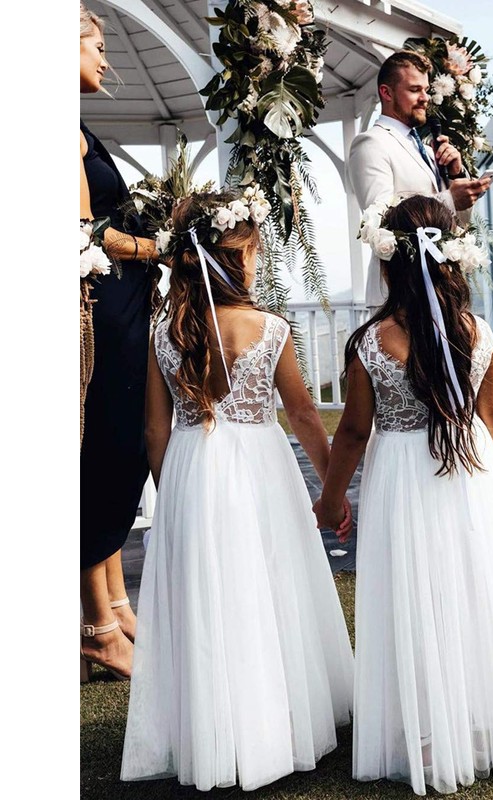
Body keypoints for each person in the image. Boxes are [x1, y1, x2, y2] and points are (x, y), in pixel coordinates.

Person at [314, 195, 493, 796]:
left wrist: (331, 500)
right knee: (472, 593)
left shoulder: (371, 342)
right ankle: (480, 723)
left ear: (389, 263)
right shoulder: (478, 332)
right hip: (471, 475)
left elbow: (353, 431)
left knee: (414, 594)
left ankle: (427, 732)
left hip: (404, 483)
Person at [120, 188, 355, 791]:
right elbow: (302, 413)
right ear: (235, 259)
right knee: (270, 583)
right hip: (259, 466)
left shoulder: (165, 331)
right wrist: (332, 487)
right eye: (253, 252)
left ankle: (215, 730)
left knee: (210, 596)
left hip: (191, 466)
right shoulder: (270, 328)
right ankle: (276, 721)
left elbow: (154, 430)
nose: (257, 262)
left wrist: (173, 492)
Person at [80, 2, 162, 682]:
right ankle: (98, 628)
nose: (107, 59)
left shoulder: (77, 128)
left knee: (118, 450)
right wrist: (155, 246)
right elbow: (78, 232)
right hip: (100, 311)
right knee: (103, 451)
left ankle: (115, 602)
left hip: (124, 305)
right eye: (96, 46)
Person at [347, 50, 491, 307]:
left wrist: (456, 175)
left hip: (442, 287)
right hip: (399, 292)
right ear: (386, 93)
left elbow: (459, 222)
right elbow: (382, 221)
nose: (425, 98)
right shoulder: (371, 143)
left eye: (426, 90)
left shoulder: (425, 148)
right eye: (415, 90)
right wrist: (449, 199)